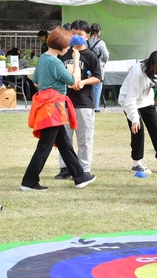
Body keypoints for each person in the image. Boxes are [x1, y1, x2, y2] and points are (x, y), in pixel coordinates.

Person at [21, 27, 96, 191]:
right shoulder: (55, 62)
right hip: (53, 107)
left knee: (64, 143)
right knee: (45, 145)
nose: (69, 48)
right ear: (61, 45)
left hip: (47, 105)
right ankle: (29, 181)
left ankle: (80, 177)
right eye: (68, 45)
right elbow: (73, 81)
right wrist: (76, 60)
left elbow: (36, 82)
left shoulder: (43, 59)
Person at [54, 19, 102, 180]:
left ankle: (84, 168)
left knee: (85, 137)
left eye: (79, 34)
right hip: (65, 101)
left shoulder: (90, 55)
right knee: (64, 138)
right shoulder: (63, 54)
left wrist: (83, 82)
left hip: (84, 103)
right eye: (73, 33)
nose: (75, 37)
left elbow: (98, 77)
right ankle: (65, 167)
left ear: (87, 36)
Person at [119, 51, 157, 174]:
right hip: (130, 102)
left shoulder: (154, 71)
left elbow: (151, 82)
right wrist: (134, 119)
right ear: (151, 64)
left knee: (155, 129)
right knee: (138, 130)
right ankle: (137, 163)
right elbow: (130, 100)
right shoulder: (138, 73)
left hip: (146, 100)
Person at [88, 22, 109, 112]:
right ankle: (96, 107)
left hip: (88, 67)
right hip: (99, 67)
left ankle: (88, 105)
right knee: (97, 87)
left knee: (88, 86)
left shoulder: (86, 41)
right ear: (99, 31)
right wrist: (104, 61)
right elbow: (106, 55)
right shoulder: (101, 43)